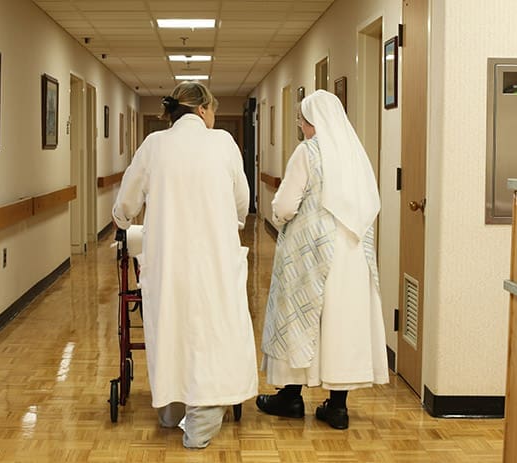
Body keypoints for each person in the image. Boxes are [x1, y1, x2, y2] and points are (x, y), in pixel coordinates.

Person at [112, 81, 258, 448]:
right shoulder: (223, 142)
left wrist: (123, 221)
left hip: (168, 261)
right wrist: (229, 220)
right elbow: (243, 202)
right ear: (204, 110)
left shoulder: (154, 146)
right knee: (212, 330)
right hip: (215, 260)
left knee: (171, 328)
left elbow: (126, 204)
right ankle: (204, 416)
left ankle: (172, 408)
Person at [256, 89, 389, 429]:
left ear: (312, 122)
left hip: (311, 251)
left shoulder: (309, 152)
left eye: (301, 121)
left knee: (299, 316)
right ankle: (338, 406)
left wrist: (278, 215)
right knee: (341, 324)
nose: (301, 127)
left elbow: (285, 205)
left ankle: (290, 396)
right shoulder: (356, 155)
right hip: (353, 253)